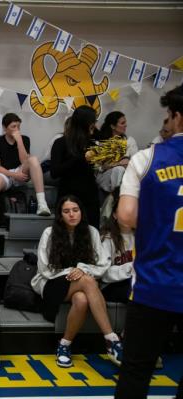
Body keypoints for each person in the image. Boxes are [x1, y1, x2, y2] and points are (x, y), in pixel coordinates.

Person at [115, 84, 183, 399]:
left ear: (177, 117)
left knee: (136, 372)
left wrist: (160, 224)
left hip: (155, 283)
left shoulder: (146, 158)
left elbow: (126, 216)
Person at [30, 195, 122, 368]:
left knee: (81, 299)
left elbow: (103, 264)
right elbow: (45, 269)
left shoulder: (91, 232)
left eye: (75, 210)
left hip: (78, 284)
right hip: (51, 283)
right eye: (66, 211)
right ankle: (112, 339)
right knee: (87, 281)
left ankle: (64, 345)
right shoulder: (49, 233)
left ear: (81, 212)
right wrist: (75, 271)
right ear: (60, 215)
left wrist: (82, 269)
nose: (72, 214)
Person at [0, 113, 51, 233]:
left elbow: (24, 161)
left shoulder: (25, 139)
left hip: (20, 171)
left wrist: (19, 141)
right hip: (4, 174)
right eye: (13, 127)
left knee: (33, 159)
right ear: (5, 128)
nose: (16, 129)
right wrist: (14, 175)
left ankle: (42, 204)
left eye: (18, 126)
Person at [50, 105, 101, 227]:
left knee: (91, 235)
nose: (95, 124)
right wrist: (80, 157)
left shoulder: (92, 142)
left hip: (90, 197)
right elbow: (54, 172)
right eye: (93, 121)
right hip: (68, 197)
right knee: (65, 236)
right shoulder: (60, 143)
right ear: (86, 123)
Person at [99, 192, 134, 303]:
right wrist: (130, 268)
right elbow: (103, 273)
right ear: (114, 215)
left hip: (133, 280)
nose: (128, 216)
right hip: (111, 286)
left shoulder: (142, 235)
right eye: (124, 212)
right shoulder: (107, 238)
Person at [94, 111, 138, 193]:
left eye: (125, 122)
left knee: (121, 170)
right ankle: (116, 198)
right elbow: (97, 168)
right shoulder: (101, 143)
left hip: (126, 176)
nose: (126, 125)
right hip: (105, 178)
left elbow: (136, 163)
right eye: (122, 123)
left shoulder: (129, 141)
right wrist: (117, 164)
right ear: (113, 126)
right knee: (118, 169)